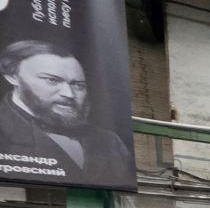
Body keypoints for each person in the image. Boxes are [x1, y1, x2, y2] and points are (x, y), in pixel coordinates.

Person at [0, 40, 133, 188]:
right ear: (12, 77)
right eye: (52, 80)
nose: (69, 94)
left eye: (78, 85)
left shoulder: (110, 142)